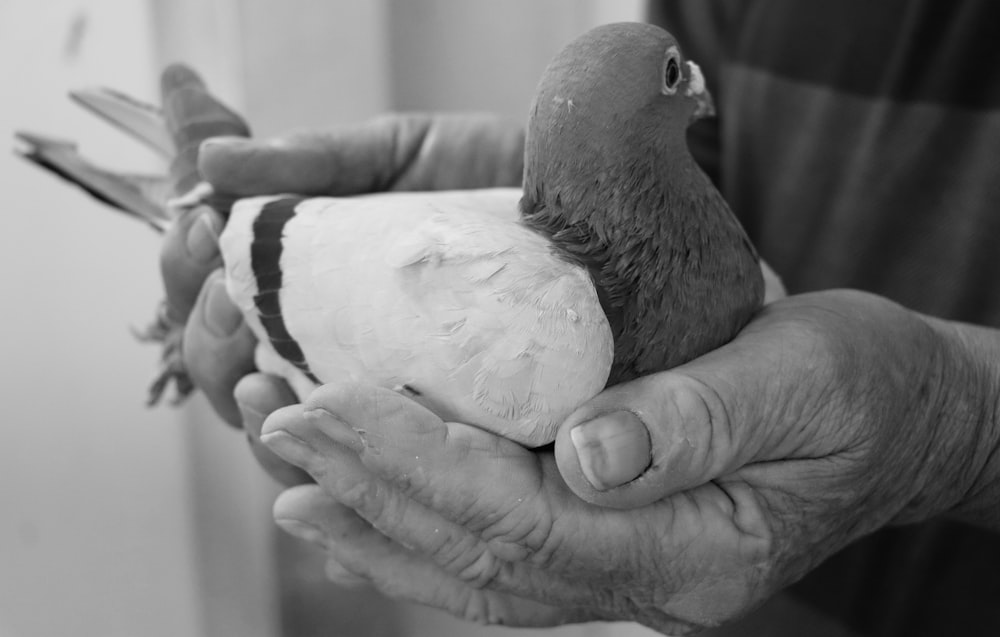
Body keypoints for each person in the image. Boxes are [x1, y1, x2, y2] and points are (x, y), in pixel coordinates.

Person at [161, 1, 1000, 634]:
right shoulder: (543, 338)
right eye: (678, 71)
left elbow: (641, 139)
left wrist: (968, 429)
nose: (695, 78)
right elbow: (688, 146)